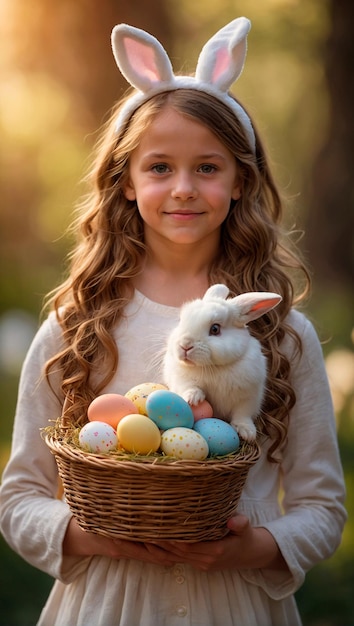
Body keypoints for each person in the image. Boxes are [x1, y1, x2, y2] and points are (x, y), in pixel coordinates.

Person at [0, 17, 346, 626]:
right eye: (159, 167)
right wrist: (100, 537)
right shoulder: (77, 324)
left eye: (207, 168)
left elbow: (322, 506)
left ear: (241, 180)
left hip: (234, 603)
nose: (183, 188)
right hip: (110, 604)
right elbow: (19, 499)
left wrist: (253, 548)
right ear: (126, 182)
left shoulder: (281, 332)